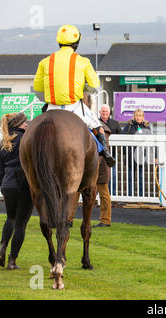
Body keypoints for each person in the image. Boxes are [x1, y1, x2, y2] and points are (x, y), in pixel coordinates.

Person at [33, 24, 115, 167]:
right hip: (75, 107)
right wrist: (83, 88)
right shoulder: (83, 61)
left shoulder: (45, 62)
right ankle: (105, 153)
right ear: (76, 43)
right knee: (98, 126)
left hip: (51, 108)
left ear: (59, 41)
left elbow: (38, 91)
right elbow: (95, 87)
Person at [0, 113, 33, 270]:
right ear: (20, 125)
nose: (26, 125)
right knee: (21, 225)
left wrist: (3, 187)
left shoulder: (3, 142)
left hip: (7, 185)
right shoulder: (27, 139)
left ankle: (2, 248)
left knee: (10, 218)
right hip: (24, 185)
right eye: (25, 123)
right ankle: (12, 260)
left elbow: (0, 170)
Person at [122, 108, 152, 196]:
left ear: (143, 117)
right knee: (130, 177)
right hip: (130, 155)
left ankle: (140, 196)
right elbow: (122, 137)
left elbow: (151, 141)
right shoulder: (129, 125)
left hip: (141, 156)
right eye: (136, 115)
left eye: (140, 116)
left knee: (141, 178)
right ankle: (130, 196)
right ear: (134, 116)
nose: (138, 117)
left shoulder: (146, 126)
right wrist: (125, 152)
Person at [92, 122, 113, 228]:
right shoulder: (100, 129)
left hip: (101, 167)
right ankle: (69, 218)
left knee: (104, 194)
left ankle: (105, 220)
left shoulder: (101, 131)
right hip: (97, 166)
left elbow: (99, 153)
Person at [99, 104, 122, 195]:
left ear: (109, 113)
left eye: (106, 111)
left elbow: (121, 136)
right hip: (99, 155)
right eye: (103, 111)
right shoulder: (95, 122)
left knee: (113, 176)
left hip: (112, 154)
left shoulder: (115, 123)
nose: (105, 113)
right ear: (100, 112)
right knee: (100, 176)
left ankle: (112, 194)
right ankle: (100, 195)